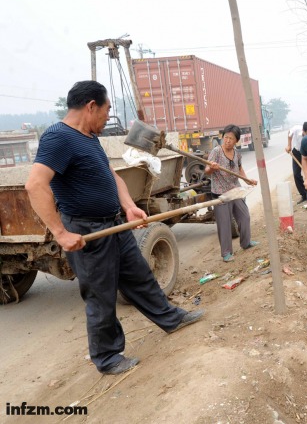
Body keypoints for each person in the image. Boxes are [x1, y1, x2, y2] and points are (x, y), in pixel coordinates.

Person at [25, 80, 203, 376]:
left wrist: (128, 206)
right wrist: (60, 233)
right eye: (107, 110)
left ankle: (171, 319)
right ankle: (107, 357)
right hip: (87, 231)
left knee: (139, 276)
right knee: (100, 294)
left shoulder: (89, 137)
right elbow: (35, 185)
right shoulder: (59, 138)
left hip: (114, 224)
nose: (108, 116)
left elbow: (112, 176)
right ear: (91, 106)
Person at [205, 124, 258, 262]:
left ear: (236, 141)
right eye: (226, 137)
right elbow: (206, 170)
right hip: (220, 193)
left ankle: (246, 243)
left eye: (231, 138)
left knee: (244, 217)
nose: (228, 140)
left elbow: (239, 169)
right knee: (224, 223)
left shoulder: (237, 154)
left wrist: (247, 180)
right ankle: (226, 253)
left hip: (235, 190)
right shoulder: (216, 152)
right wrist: (212, 168)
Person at [285, 121, 307, 204]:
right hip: (297, 152)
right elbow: (289, 133)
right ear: (303, 131)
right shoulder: (296, 129)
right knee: (296, 174)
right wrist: (289, 145)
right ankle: (304, 195)